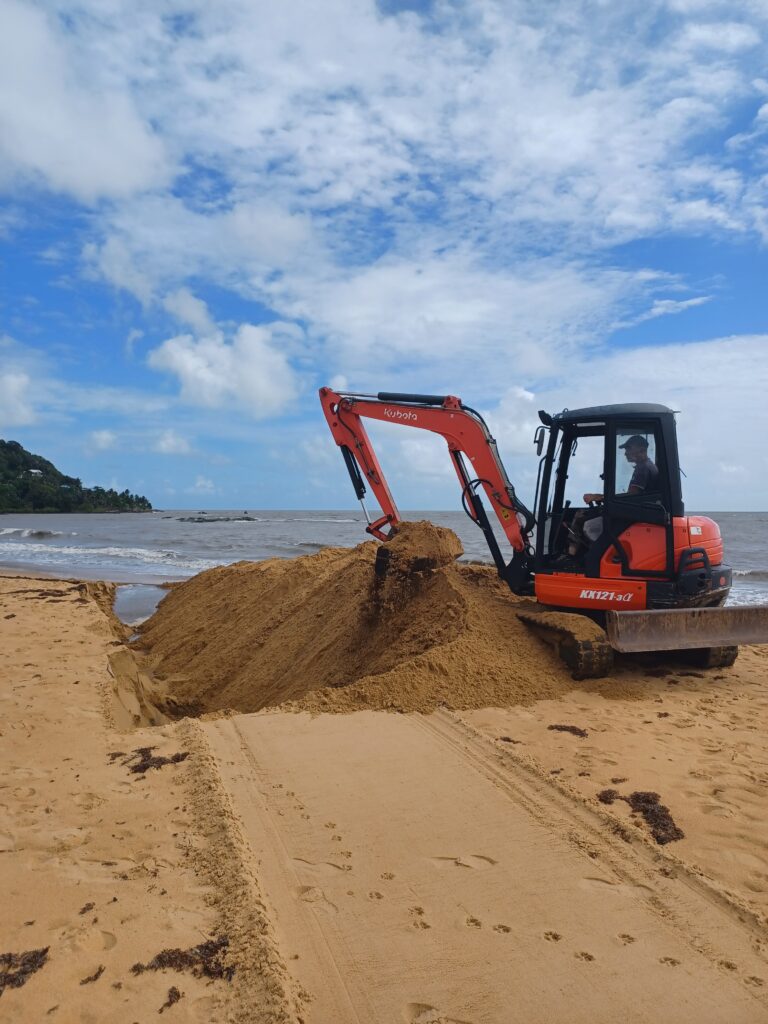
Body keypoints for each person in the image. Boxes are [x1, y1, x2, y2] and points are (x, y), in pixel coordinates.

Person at [562, 435, 659, 560]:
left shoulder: (643, 468)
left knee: (583, 520)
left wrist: (598, 497)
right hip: (636, 514)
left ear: (641, 449)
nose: (626, 453)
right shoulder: (647, 466)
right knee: (586, 516)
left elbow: (631, 496)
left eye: (628, 448)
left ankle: (575, 558)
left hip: (631, 518)